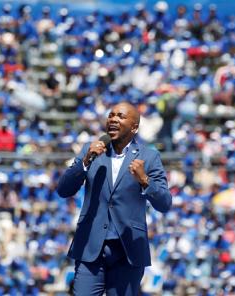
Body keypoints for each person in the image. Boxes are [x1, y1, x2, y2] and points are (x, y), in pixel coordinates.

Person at [57, 102, 172, 295]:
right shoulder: (90, 150)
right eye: (111, 115)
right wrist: (85, 162)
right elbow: (63, 189)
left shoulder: (149, 157)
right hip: (90, 247)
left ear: (134, 127)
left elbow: (165, 203)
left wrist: (145, 180)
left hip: (128, 252)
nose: (113, 119)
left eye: (120, 116)